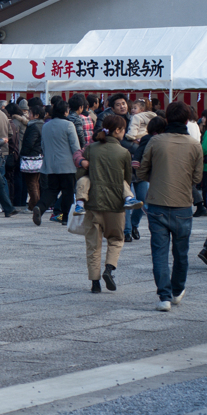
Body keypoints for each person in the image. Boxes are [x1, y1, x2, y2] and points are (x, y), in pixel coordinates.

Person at [136, 102, 204, 312]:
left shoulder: (155, 141)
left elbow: (141, 172)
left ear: (166, 119)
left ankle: (164, 296)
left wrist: (156, 178)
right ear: (187, 120)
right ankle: (177, 290)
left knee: (159, 252)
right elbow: (197, 177)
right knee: (181, 253)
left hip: (157, 203)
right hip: (183, 205)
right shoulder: (194, 145)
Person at [79, 115, 133, 294]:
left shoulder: (92, 148)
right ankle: (109, 269)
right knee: (116, 239)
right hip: (115, 204)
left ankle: (95, 283)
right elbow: (127, 180)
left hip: (93, 203)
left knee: (93, 245)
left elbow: (81, 171)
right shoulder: (124, 152)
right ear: (117, 131)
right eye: (123, 129)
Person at [33, 99, 81, 226]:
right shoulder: (69, 125)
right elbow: (75, 145)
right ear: (65, 112)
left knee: (51, 190)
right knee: (68, 190)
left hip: (51, 163)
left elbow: (43, 145)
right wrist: (79, 159)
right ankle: (65, 216)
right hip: (67, 164)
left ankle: (40, 207)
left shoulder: (46, 125)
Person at [19, 102, 45, 213]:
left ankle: (34, 205)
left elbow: (29, 143)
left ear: (36, 115)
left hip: (32, 157)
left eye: (30, 112)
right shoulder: (42, 125)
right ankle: (33, 204)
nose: (28, 114)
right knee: (36, 182)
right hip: (39, 157)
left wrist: (23, 153)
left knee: (32, 183)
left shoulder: (34, 126)